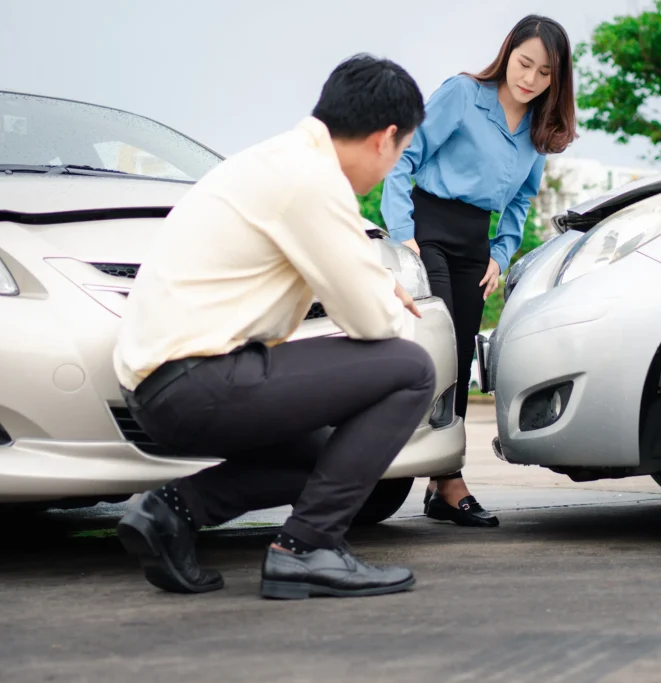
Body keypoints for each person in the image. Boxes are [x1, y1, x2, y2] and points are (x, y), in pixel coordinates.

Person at [112, 54, 433, 600]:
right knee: (411, 369)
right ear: (385, 138)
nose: (391, 166)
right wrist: (380, 287)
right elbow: (373, 321)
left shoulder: (281, 162)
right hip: (195, 380)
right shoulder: (311, 181)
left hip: (163, 386)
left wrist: (370, 278)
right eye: (401, 152)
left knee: (332, 459)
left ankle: (171, 512)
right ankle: (307, 549)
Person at [380, 14, 577, 528]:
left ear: (557, 79)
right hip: (427, 229)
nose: (530, 79)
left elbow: (521, 203)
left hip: (474, 244)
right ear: (508, 53)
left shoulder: (539, 131)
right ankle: (447, 478)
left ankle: (440, 483)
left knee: (462, 354)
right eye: (524, 63)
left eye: (544, 73)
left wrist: (500, 253)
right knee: (440, 347)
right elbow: (403, 157)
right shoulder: (463, 94)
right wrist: (403, 234)